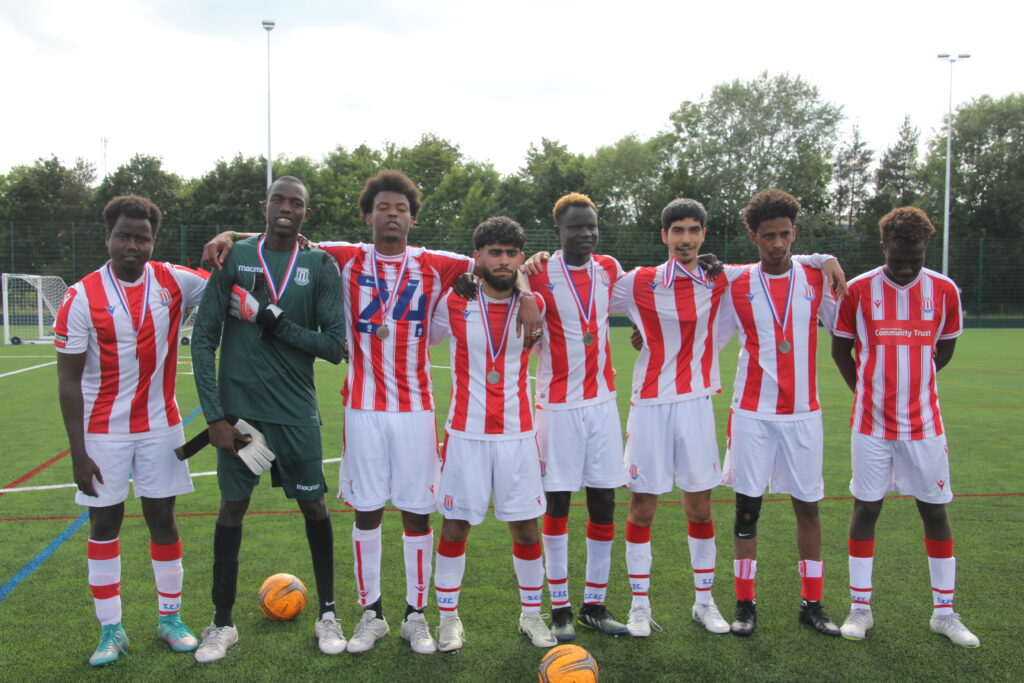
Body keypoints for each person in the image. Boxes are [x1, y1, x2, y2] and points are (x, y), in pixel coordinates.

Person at [200, 169, 540, 655]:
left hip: (416, 410)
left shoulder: (436, 263)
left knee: (418, 515)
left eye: (402, 209)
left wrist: (526, 292)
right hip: (363, 408)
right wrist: (231, 236)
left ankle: (415, 616)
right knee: (367, 513)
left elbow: (498, 259)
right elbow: (285, 231)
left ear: (413, 218)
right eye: (383, 208)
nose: (392, 216)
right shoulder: (343, 257)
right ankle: (372, 614)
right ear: (368, 215)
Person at [619, 198, 843, 639]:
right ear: (664, 236)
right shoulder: (638, 281)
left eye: (693, 230)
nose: (685, 238)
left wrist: (826, 257)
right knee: (643, 506)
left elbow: (780, 260)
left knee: (701, 507)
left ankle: (705, 602)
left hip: (700, 403)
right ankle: (638, 606)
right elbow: (587, 292)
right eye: (677, 230)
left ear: (704, 235)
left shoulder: (722, 277)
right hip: (650, 405)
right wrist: (535, 270)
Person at [190, 176, 347, 662]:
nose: (286, 208)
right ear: (264, 206)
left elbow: (334, 347)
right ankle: (222, 623)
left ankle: (327, 613)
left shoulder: (320, 265)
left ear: (306, 214)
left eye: (295, 203)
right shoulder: (233, 258)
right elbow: (203, 339)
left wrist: (271, 319)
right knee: (232, 508)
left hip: (296, 414)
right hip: (241, 417)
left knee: (315, 508)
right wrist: (215, 417)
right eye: (278, 200)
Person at [55, 195, 205, 666]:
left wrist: (228, 240)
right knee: (104, 524)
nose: (133, 245)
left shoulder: (174, 281)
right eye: (124, 235)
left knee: (163, 520)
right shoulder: (80, 297)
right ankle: (111, 630)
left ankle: (170, 619)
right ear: (109, 236)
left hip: (161, 425)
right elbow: (67, 380)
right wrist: (78, 453)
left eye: (142, 237)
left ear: (152, 241)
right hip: (103, 432)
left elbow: (228, 276)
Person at [831, 207, 979, 647]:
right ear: (884, 248)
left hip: (925, 424)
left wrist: (916, 386)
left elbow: (944, 352)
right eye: (899, 259)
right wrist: (867, 394)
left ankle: (945, 613)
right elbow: (842, 351)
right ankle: (860, 607)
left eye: (916, 258)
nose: (908, 266)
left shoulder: (945, 291)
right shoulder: (858, 290)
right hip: (871, 425)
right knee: (866, 509)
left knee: (934, 510)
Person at [428, 216, 556, 652]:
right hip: (466, 435)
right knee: (455, 528)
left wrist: (528, 292)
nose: (502, 260)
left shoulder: (536, 306)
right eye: (493, 252)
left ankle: (532, 615)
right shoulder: (453, 301)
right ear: (478, 255)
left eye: (510, 253)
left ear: (521, 258)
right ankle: (448, 620)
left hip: (518, 437)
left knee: (525, 530)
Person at [720, 189, 840, 637]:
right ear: (753, 236)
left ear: (794, 234)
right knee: (747, 514)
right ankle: (745, 604)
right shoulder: (735, 281)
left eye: (784, 234)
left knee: (808, 509)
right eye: (768, 235)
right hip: (752, 413)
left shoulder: (815, 278)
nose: (777, 244)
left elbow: (842, 326)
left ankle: (812, 603)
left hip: (804, 414)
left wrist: (822, 257)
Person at [522, 193, 629, 641]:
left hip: (602, 404)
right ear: (558, 232)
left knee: (604, 501)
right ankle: (561, 606)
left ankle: (595, 604)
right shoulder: (538, 273)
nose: (585, 233)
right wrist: (528, 268)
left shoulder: (609, 268)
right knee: (559, 503)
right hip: (558, 406)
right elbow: (493, 271)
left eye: (591, 226)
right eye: (575, 227)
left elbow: (655, 286)